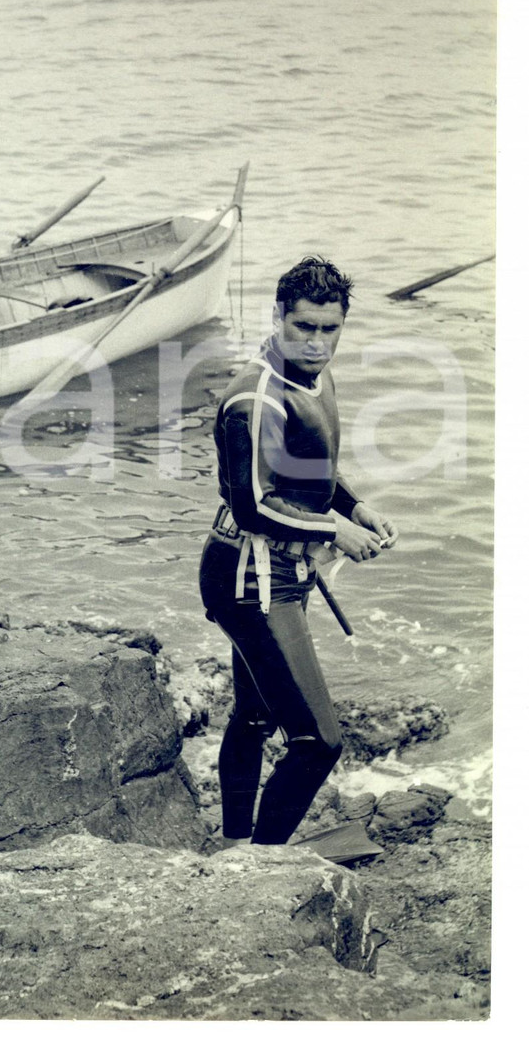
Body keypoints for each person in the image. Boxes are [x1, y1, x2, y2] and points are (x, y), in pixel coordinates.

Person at [198, 256, 397, 847]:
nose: (316, 342)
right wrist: (335, 532)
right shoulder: (253, 399)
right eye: (303, 327)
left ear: (341, 324)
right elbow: (252, 504)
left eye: (328, 329)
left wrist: (354, 506)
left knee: (256, 716)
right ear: (279, 315)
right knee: (318, 743)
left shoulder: (313, 376)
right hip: (248, 577)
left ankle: (234, 847)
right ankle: (260, 864)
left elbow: (306, 468)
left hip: (278, 570)